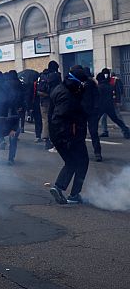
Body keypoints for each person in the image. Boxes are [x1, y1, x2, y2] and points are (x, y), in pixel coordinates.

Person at [49, 66, 90, 205]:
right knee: (81, 161)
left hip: (60, 134)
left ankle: (60, 188)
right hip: (68, 134)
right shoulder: (68, 95)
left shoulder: (60, 88)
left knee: (72, 162)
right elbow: (62, 115)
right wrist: (66, 137)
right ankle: (72, 194)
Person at [97, 72, 130, 139]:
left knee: (95, 120)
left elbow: (98, 97)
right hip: (110, 105)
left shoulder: (100, 87)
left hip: (102, 106)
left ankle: (95, 133)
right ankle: (126, 130)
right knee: (116, 119)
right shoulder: (109, 85)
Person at [38, 61, 62, 150]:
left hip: (43, 101)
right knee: (54, 120)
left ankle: (46, 140)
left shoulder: (42, 75)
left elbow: (38, 90)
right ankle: (54, 139)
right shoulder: (56, 76)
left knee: (45, 120)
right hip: (53, 101)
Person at [81, 69, 103, 161]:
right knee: (93, 133)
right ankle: (97, 153)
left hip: (86, 112)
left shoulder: (88, 84)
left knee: (84, 134)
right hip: (89, 112)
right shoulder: (91, 84)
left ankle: (88, 154)